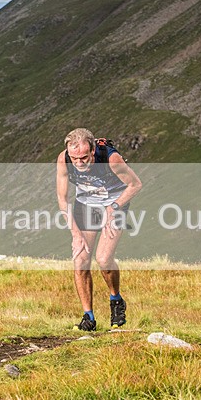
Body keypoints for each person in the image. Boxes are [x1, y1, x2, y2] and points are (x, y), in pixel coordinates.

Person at [56, 128, 142, 331]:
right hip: (87, 204)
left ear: (93, 150)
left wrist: (113, 208)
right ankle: (88, 317)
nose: (79, 163)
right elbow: (62, 198)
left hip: (115, 202)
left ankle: (116, 300)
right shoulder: (64, 159)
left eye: (84, 157)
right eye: (75, 158)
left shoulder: (111, 159)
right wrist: (75, 234)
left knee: (103, 259)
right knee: (80, 259)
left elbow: (135, 185)